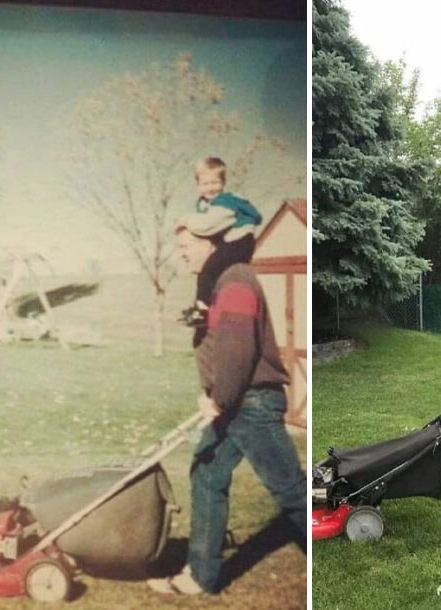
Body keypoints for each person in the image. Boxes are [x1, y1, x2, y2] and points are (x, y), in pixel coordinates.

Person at [148, 209, 306, 595]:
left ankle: (334, 539)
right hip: (237, 403)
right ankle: (202, 576)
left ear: (207, 241)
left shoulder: (235, 280)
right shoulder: (221, 281)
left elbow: (238, 350)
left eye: (185, 246)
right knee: (207, 475)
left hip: (248, 403)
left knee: (289, 489)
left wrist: (219, 399)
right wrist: (215, 396)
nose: (180, 253)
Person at [183, 157, 263, 331]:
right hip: (235, 242)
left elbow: (207, 226)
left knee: (208, 271)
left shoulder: (225, 203)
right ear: (197, 185)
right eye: (205, 184)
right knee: (213, 272)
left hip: (238, 242)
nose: (210, 187)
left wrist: (186, 220)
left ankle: (202, 311)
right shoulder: (211, 203)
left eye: (215, 182)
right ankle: (204, 306)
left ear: (223, 183)